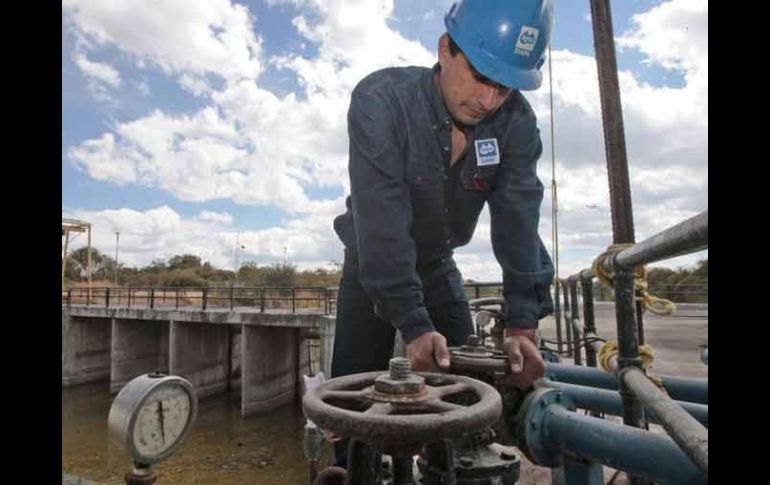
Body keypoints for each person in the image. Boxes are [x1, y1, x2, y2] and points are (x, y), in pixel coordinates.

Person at [330, 0, 555, 468]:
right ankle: (355, 467)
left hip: (436, 260)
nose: (489, 100)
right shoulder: (381, 101)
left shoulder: (516, 123)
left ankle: (450, 468)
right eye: (480, 75)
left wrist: (523, 323)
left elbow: (519, 221)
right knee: (352, 402)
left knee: (467, 395)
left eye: (506, 86)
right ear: (445, 49)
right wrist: (413, 324)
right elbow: (383, 224)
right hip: (370, 259)